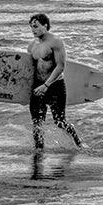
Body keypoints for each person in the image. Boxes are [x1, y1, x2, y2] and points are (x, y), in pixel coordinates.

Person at [26, 11, 83, 150]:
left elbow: (60, 66)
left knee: (60, 121)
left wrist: (47, 85)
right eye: (32, 27)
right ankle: (39, 152)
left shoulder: (55, 42)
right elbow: (28, 69)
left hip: (54, 86)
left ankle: (79, 145)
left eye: (36, 26)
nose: (33, 30)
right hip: (37, 86)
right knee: (37, 123)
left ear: (45, 25)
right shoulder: (32, 45)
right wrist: (24, 91)